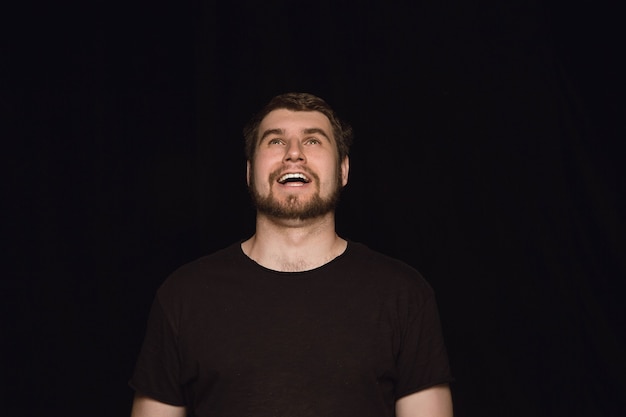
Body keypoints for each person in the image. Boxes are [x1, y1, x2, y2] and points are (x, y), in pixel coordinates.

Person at [129, 92, 454, 417]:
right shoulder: (184, 295)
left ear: (343, 170)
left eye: (313, 141)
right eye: (274, 142)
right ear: (248, 171)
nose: (294, 154)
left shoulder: (404, 294)